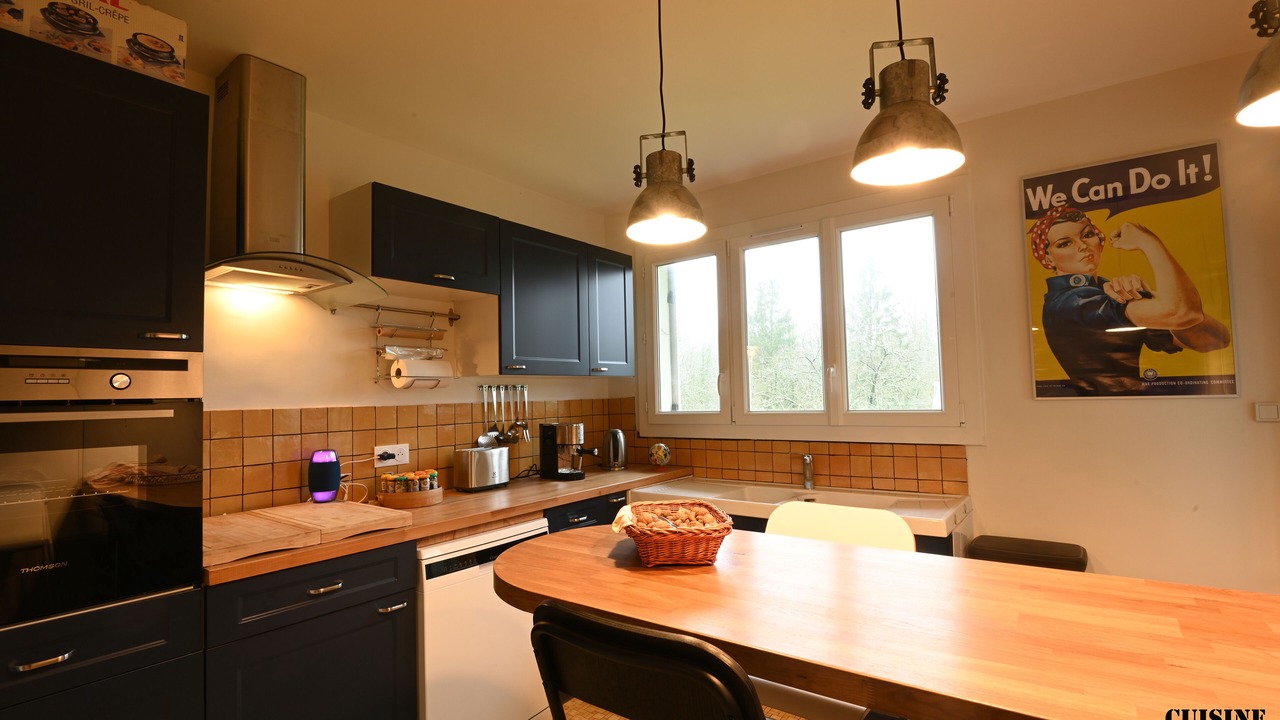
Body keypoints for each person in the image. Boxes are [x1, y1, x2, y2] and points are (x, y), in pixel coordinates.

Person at [1027, 205, 1231, 395]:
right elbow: (1183, 313)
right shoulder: (1071, 302)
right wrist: (1149, 243)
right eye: (1065, 244)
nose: (1082, 246)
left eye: (1087, 235)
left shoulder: (1103, 294)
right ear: (1048, 258)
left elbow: (1213, 339)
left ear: (1099, 240)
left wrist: (1151, 296)